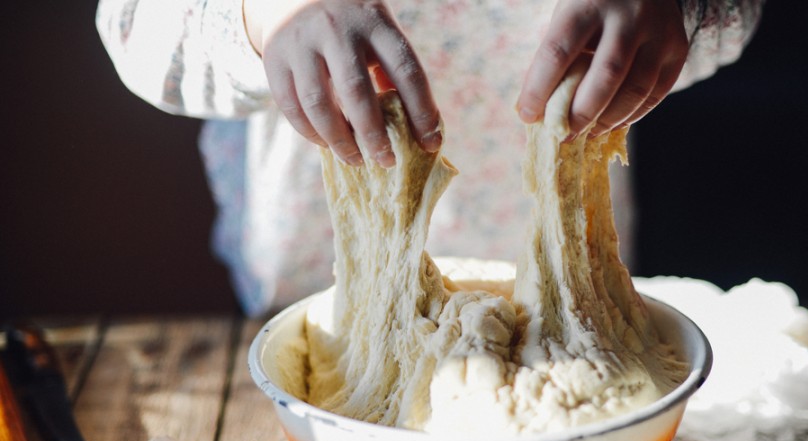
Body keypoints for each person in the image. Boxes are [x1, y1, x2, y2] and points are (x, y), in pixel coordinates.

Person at [96, 0, 764, 316]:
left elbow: (737, 14)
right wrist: (263, 17)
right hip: (315, 290)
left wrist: (683, 9)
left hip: (567, 291)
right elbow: (133, 26)